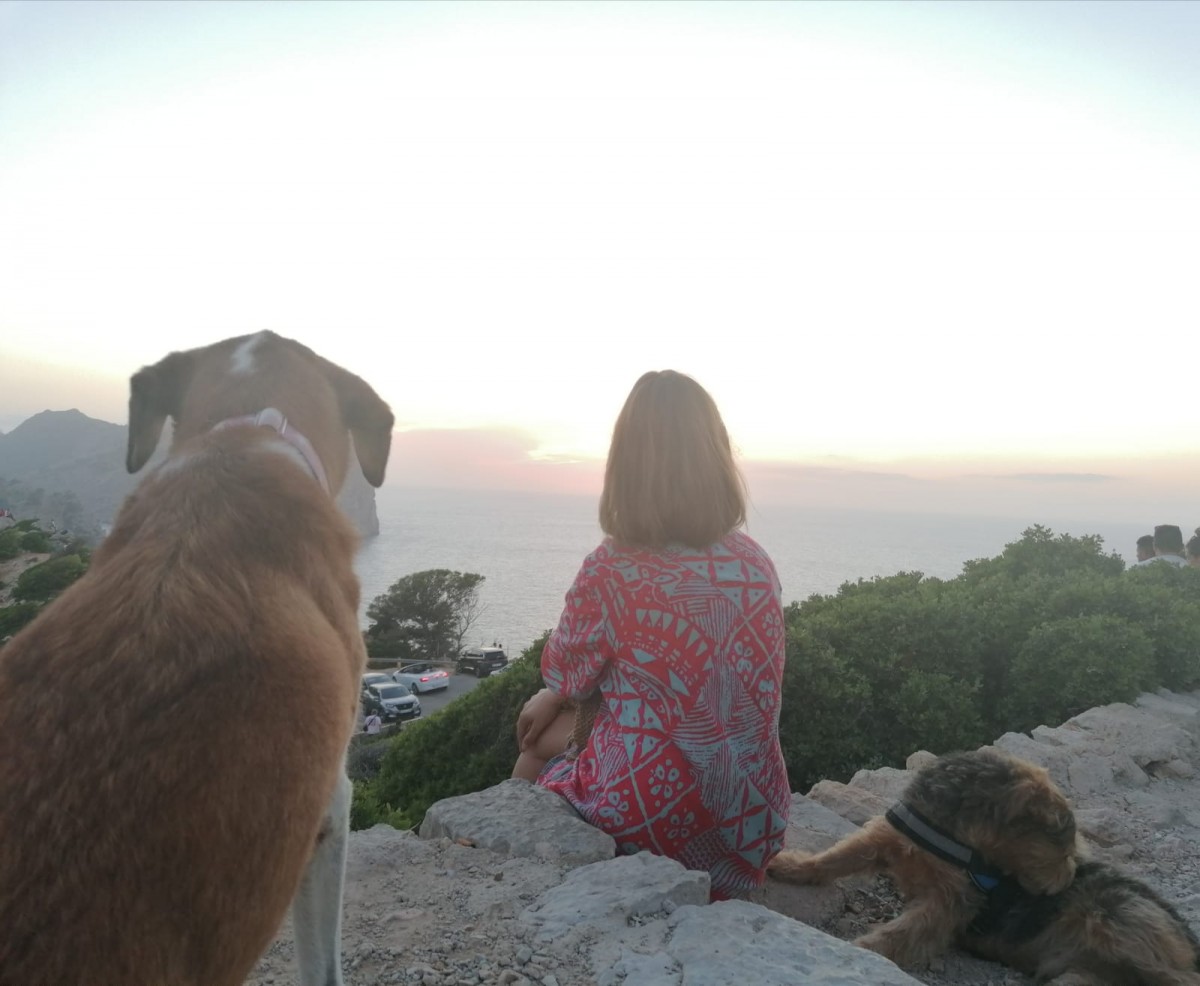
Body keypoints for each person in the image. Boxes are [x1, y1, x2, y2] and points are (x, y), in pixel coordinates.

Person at [512, 369, 790, 901]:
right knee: (561, 716)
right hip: (754, 823)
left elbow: (566, 673)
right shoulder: (754, 562)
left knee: (531, 737)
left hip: (650, 822)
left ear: (624, 464)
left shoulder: (613, 567)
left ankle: (502, 861)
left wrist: (549, 694)